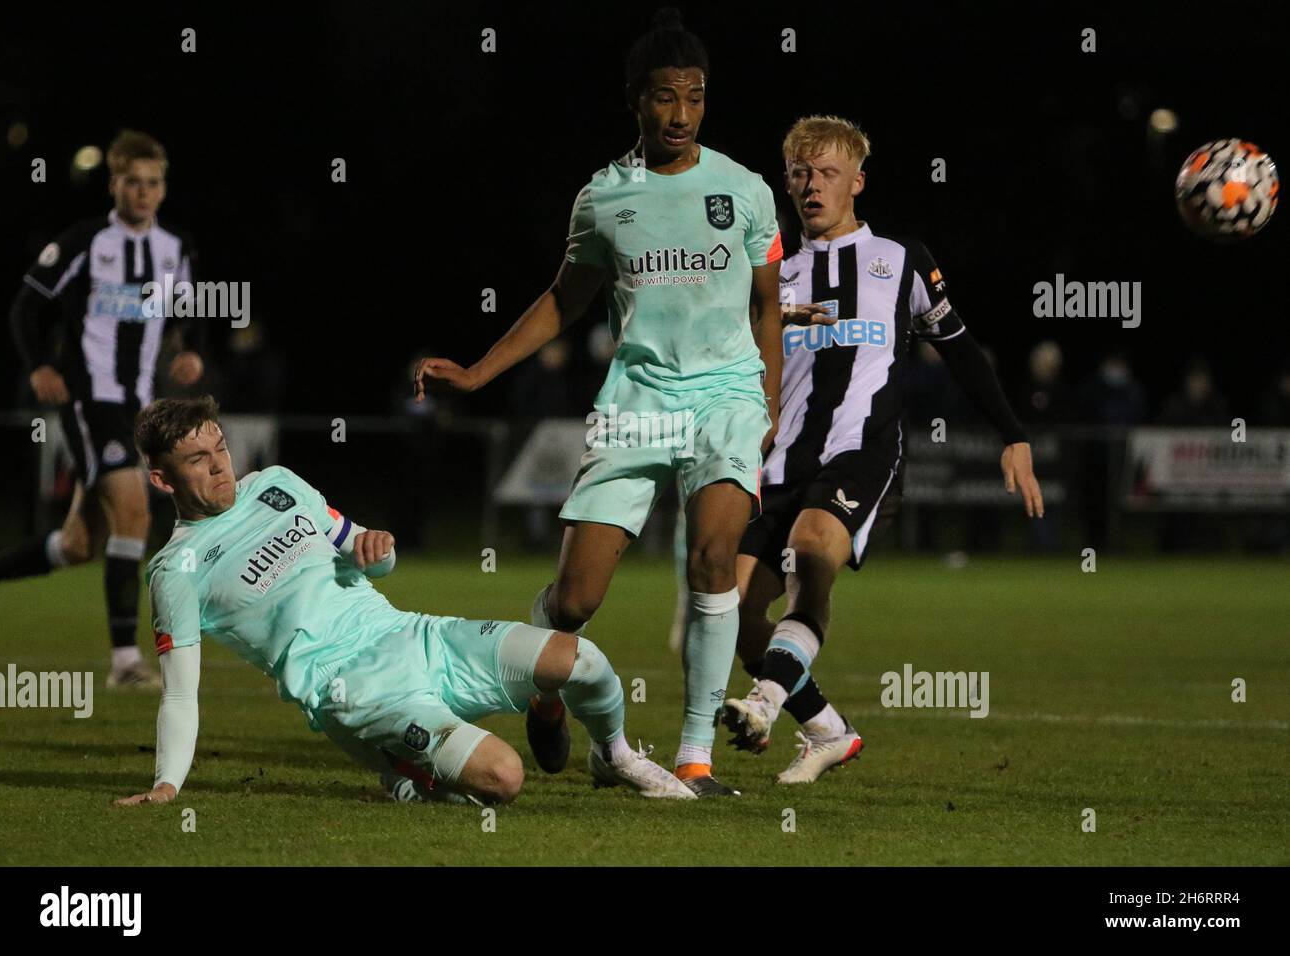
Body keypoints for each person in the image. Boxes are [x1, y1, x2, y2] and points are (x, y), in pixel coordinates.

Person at [415, 9, 783, 796]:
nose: (680, 113)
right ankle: (545, 688)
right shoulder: (604, 197)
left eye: (695, 97)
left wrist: (769, 399)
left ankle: (693, 756)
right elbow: (563, 298)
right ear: (635, 101)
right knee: (576, 600)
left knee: (715, 562)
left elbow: (769, 307)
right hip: (637, 401)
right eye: (664, 97)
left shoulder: (745, 190)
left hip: (725, 397)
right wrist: (480, 372)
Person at [114, 397, 691, 808]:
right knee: (504, 778)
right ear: (162, 480)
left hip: (411, 633)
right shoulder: (176, 570)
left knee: (582, 661)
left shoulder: (280, 484)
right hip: (353, 688)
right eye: (199, 460)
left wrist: (378, 549)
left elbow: (368, 552)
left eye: (221, 448)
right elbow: (182, 691)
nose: (221, 466)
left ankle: (612, 756)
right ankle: (402, 771)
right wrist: (167, 786)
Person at [724, 116, 1044, 783]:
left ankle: (763, 702)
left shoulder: (901, 260)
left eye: (829, 173)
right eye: (801, 173)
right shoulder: (768, 271)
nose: (813, 186)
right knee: (729, 606)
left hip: (861, 450)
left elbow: (960, 351)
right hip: (773, 460)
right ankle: (827, 730)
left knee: (811, 553)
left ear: (857, 182)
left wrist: (1012, 433)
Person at [0, 130, 204, 690]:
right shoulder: (86, 240)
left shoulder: (175, 248)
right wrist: (40, 365)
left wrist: (187, 356)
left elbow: (184, 315)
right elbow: (24, 307)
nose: (143, 192)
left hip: (138, 406)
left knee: (77, 545)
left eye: (153, 183)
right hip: (91, 399)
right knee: (134, 513)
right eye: (132, 181)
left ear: (162, 189)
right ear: (114, 184)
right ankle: (125, 665)